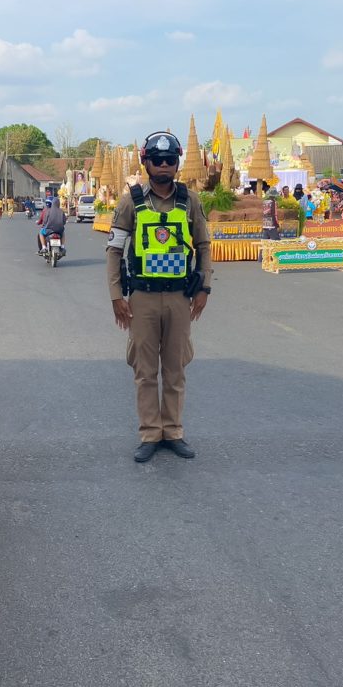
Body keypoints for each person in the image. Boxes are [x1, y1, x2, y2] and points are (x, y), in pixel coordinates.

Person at [106, 131, 212, 463]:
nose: (163, 165)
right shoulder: (131, 202)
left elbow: (204, 245)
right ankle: (151, 433)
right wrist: (116, 296)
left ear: (177, 163)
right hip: (143, 298)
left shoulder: (190, 200)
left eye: (169, 160)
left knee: (176, 369)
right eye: (157, 159)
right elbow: (114, 250)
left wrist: (204, 288)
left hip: (180, 297)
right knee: (145, 370)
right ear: (146, 163)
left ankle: (174, 431)